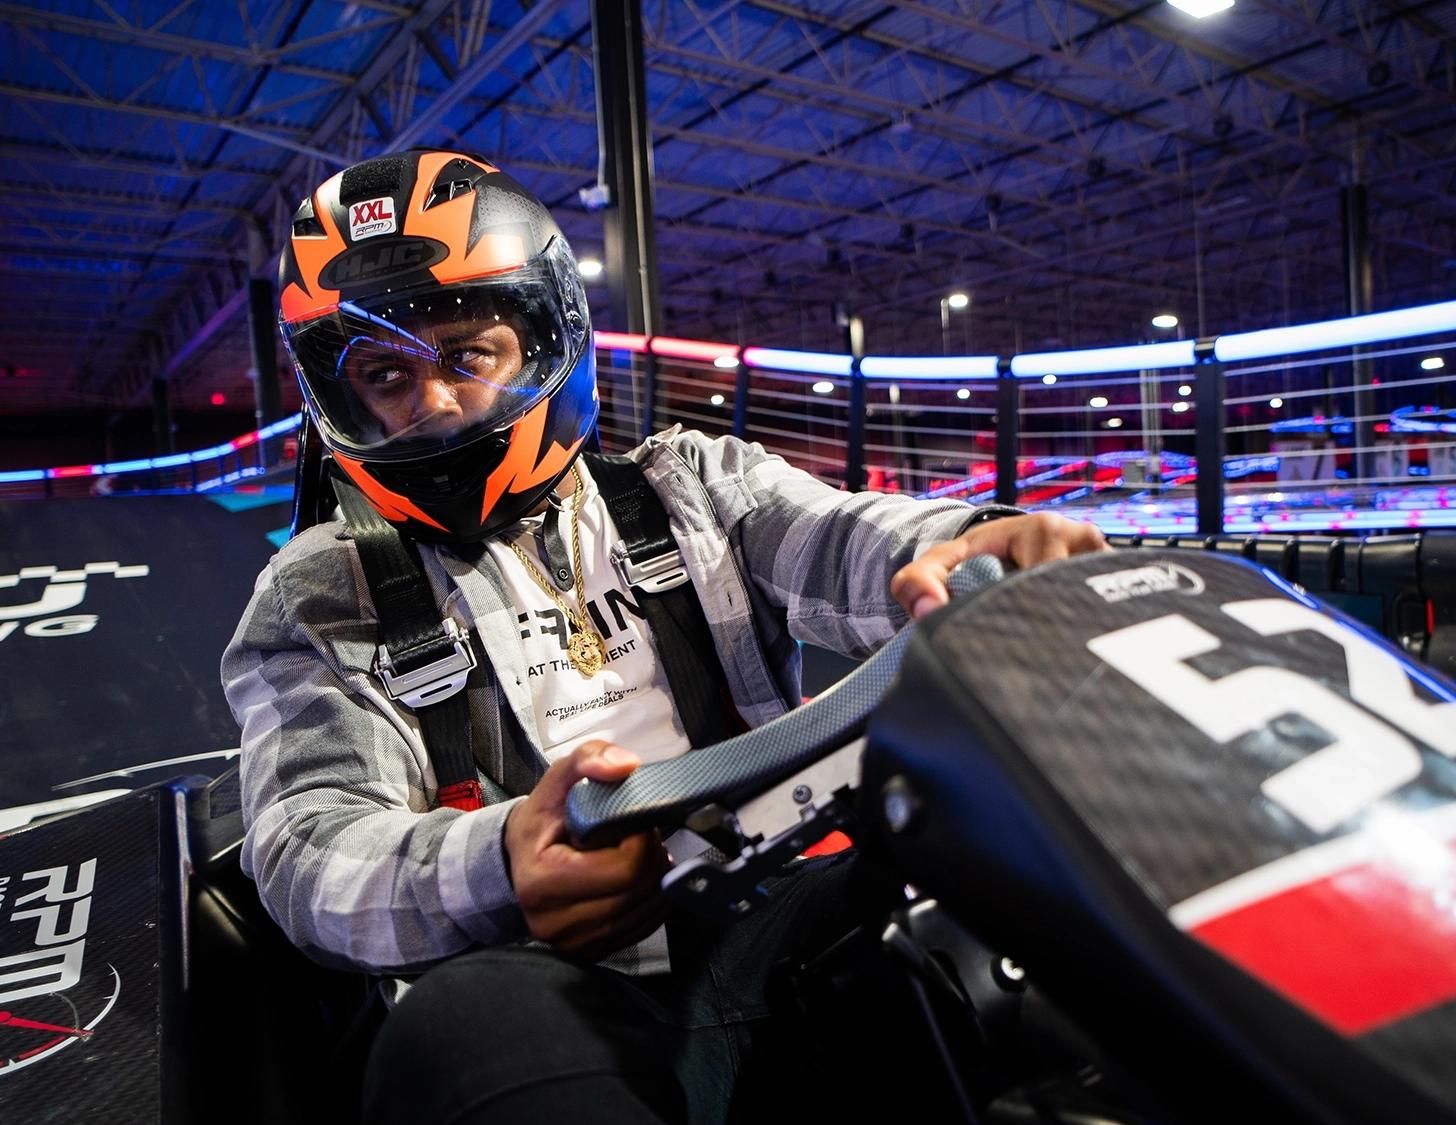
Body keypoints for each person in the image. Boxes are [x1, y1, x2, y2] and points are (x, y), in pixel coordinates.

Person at [223, 149, 1107, 1125]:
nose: (432, 402)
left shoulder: (692, 487)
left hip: (778, 921)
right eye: (385, 373)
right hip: (536, 983)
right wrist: (503, 858)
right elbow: (308, 849)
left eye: (467, 354)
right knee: (458, 1035)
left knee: (1004, 886)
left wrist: (968, 545)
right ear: (336, 400)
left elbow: (848, 540)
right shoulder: (319, 588)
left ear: (544, 340)